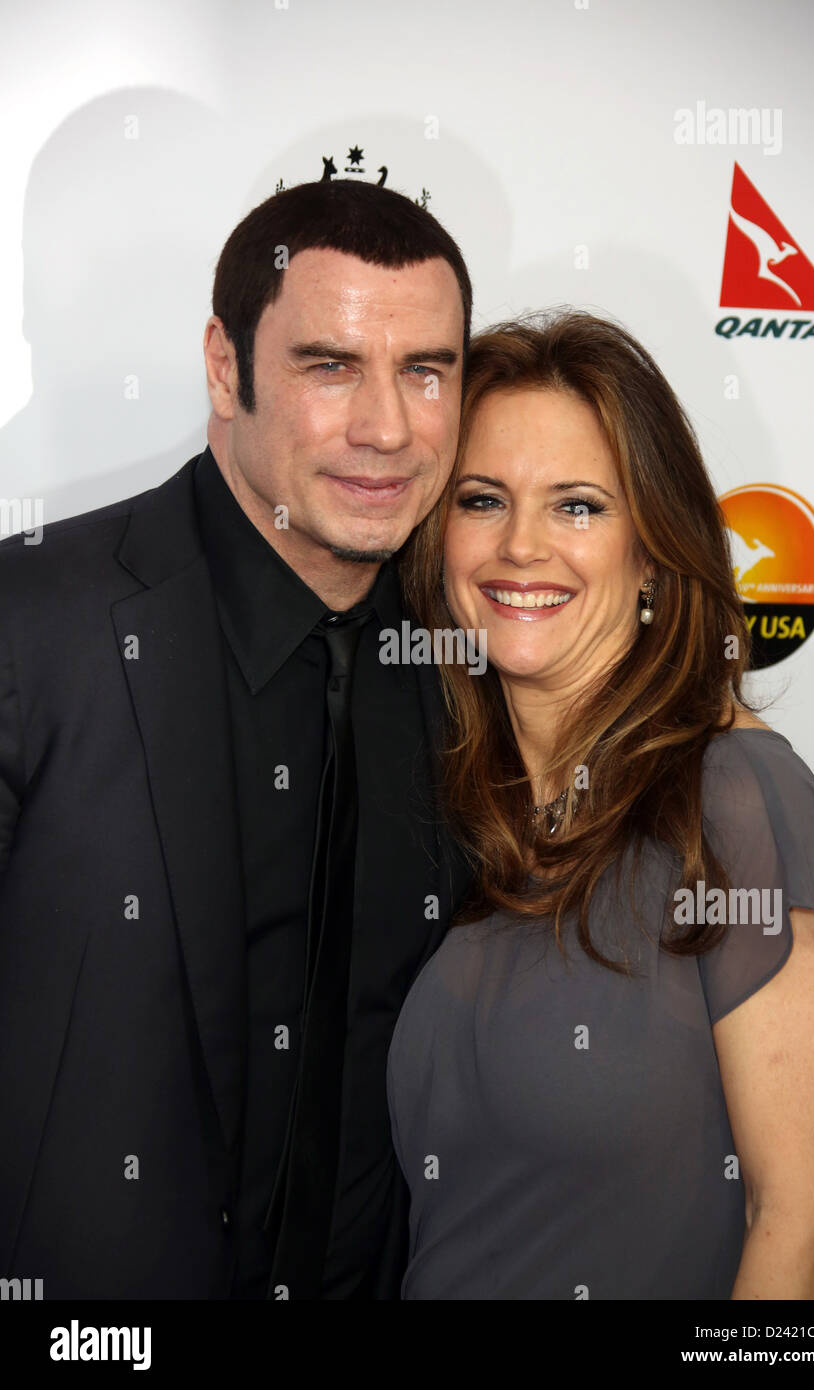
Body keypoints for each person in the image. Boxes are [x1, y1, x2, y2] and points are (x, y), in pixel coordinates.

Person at [0, 178, 474, 1300]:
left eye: (425, 371)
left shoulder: (478, 657)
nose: (386, 430)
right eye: (329, 366)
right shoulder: (32, 624)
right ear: (225, 365)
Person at [388, 310, 814, 1300]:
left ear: (651, 553)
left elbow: (796, 1221)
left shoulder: (736, 799)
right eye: (482, 499)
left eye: (576, 507)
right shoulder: (474, 821)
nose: (520, 547)